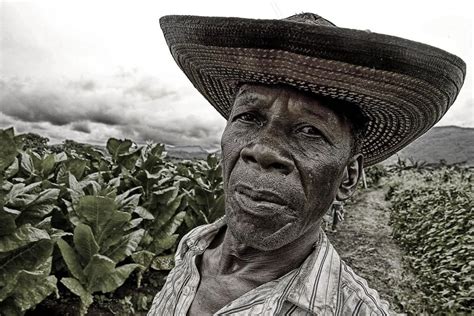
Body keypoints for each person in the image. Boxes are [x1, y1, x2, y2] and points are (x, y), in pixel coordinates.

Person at [148, 12, 466, 315]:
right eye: (248, 117)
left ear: (348, 177)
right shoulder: (193, 246)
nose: (263, 151)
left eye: (310, 131)